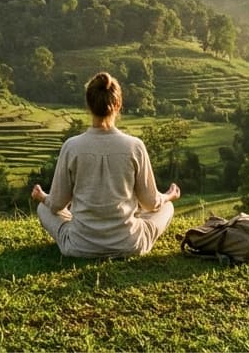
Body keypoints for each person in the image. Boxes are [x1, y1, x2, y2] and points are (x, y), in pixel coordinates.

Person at [31, 71, 181, 258]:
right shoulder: (135, 146)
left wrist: (42, 197)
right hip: (130, 244)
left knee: (42, 208)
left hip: (80, 246)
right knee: (167, 207)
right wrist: (168, 196)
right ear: (118, 105)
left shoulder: (72, 146)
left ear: (88, 105)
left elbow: (56, 205)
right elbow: (150, 204)